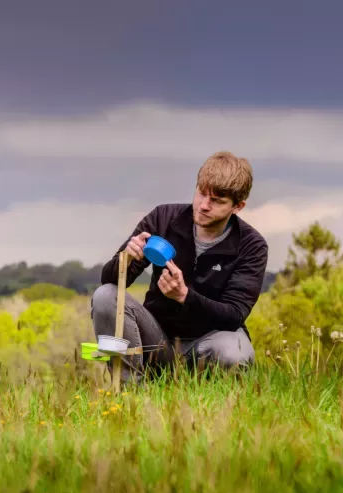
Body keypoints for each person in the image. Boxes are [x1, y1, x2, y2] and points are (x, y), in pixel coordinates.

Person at [91, 151, 269, 384]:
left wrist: (185, 296)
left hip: (208, 346)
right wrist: (127, 259)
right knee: (105, 295)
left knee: (234, 351)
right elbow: (111, 280)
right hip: (157, 342)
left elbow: (233, 316)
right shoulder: (162, 218)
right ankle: (129, 395)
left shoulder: (251, 245)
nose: (204, 205)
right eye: (201, 193)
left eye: (216, 201)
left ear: (238, 206)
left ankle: (209, 403)